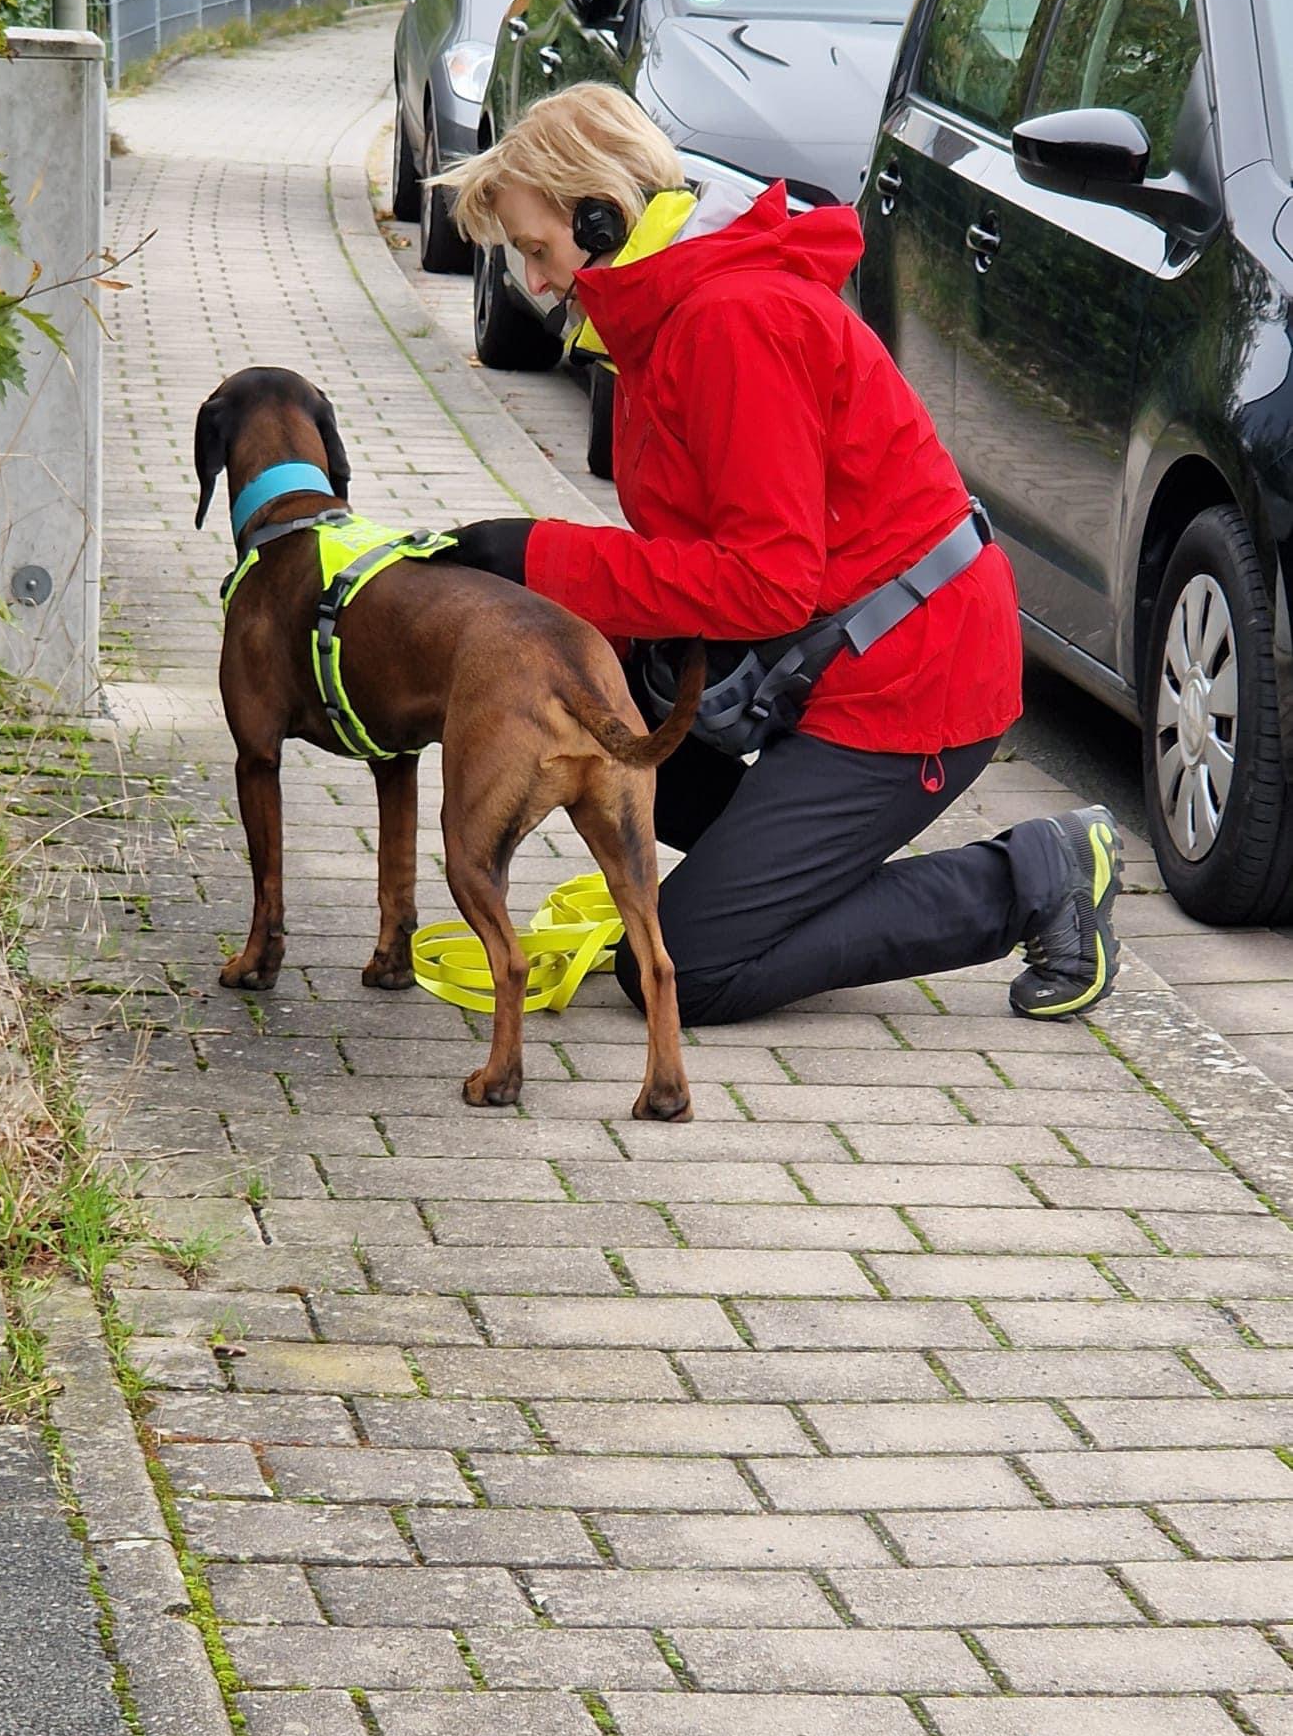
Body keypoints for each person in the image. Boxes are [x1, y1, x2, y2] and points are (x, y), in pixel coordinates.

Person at [433, 85, 1121, 1029]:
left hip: (914, 681)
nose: (536, 281)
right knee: (606, 732)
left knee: (688, 968)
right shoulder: (664, 320)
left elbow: (766, 580)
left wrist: (542, 555)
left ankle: (1039, 876)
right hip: (838, 658)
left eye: (539, 250)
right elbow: (707, 553)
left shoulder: (729, 321)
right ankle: (782, 873)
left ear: (600, 215)